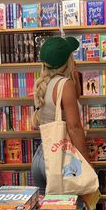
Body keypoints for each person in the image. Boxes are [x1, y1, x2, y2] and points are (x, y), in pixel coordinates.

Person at [31, 36, 90, 198]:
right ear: (68, 60)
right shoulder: (65, 85)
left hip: (40, 158)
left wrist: (74, 76)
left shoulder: (41, 84)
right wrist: (86, 163)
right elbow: (74, 127)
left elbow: (69, 101)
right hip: (62, 160)